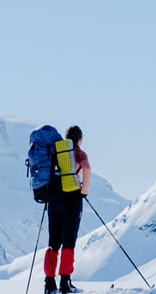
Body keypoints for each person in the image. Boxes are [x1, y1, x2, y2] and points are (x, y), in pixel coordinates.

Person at [44, 125, 91, 294]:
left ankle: (49, 283)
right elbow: (86, 168)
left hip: (54, 199)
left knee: (53, 242)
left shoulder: (55, 151)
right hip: (72, 199)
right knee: (68, 241)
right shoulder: (78, 152)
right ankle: (65, 282)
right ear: (80, 139)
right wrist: (83, 192)